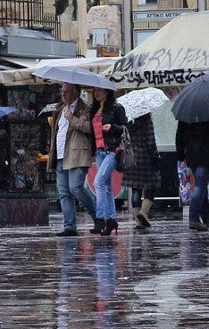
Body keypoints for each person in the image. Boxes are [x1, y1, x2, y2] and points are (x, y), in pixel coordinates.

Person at [48, 82, 98, 236]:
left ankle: (98, 215)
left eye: (67, 92)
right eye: (62, 91)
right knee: (64, 193)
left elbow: (90, 129)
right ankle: (69, 226)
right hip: (61, 155)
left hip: (77, 154)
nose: (63, 95)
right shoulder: (59, 108)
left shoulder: (86, 109)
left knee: (75, 188)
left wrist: (72, 119)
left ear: (76, 92)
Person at [89, 87, 127, 236]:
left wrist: (112, 127)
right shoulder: (96, 109)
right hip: (99, 151)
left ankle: (100, 219)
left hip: (113, 150)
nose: (96, 93)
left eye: (100, 90)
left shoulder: (116, 108)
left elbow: (125, 127)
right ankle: (111, 220)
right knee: (107, 186)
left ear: (107, 92)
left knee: (98, 182)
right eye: (95, 90)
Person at [122, 113, 160, 230]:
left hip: (131, 158)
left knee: (135, 189)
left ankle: (138, 221)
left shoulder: (127, 122)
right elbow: (150, 141)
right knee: (152, 185)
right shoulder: (146, 121)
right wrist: (155, 155)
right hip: (145, 157)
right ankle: (143, 212)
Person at [176, 121, 209, 231]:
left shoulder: (187, 115)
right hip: (205, 154)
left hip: (192, 155)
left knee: (202, 186)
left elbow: (180, 135)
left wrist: (181, 154)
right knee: (200, 186)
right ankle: (193, 218)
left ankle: (206, 218)